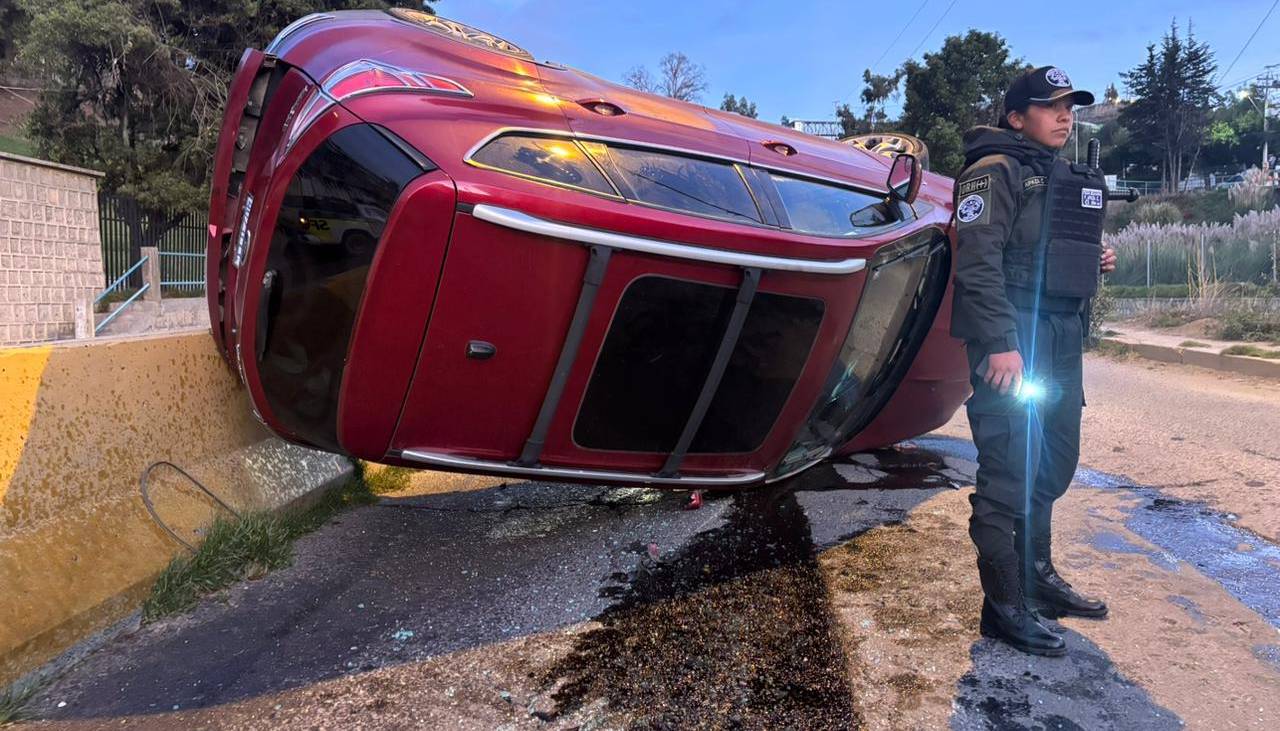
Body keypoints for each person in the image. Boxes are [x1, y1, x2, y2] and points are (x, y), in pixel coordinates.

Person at [950, 66, 1118, 656]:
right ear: (1016, 117)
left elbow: (1047, 246)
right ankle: (1003, 605)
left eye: (1070, 106)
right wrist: (999, 341)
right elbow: (976, 261)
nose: (1065, 116)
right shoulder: (991, 172)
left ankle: (1037, 579)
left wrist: (1089, 261)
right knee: (1010, 471)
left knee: (1054, 460)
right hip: (1012, 334)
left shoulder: (1063, 176)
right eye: (1051, 107)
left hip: (1059, 332)